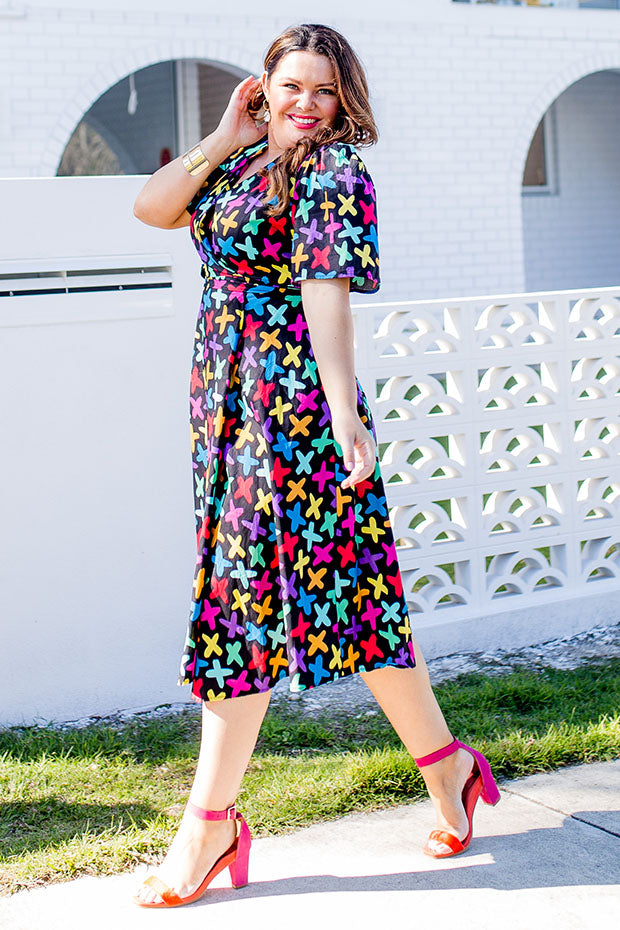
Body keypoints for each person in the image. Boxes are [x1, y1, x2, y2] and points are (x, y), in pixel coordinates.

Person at [132, 22, 500, 909]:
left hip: (293, 410)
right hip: (227, 402)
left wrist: (342, 414)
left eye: (324, 90)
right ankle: (448, 767)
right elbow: (152, 207)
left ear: (344, 100)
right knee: (355, 601)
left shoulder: (334, 172)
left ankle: (208, 824)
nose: (306, 103)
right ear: (262, 86)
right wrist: (224, 134)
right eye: (290, 85)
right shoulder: (239, 159)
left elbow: (324, 294)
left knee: (245, 604)